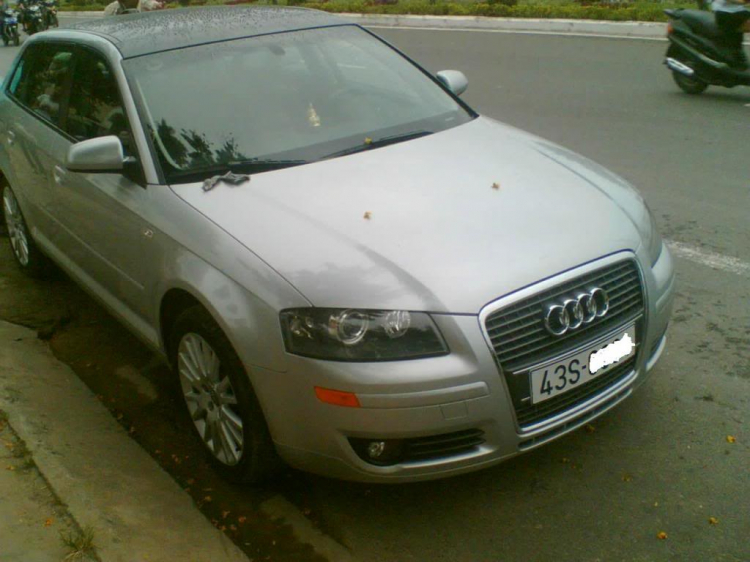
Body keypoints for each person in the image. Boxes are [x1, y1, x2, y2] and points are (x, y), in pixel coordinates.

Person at [712, 0, 750, 69]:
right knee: (730, 37)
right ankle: (727, 57)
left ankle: (737, 51)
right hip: (724, 11)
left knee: (737, 37)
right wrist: (742, 2)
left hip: (737, 10)